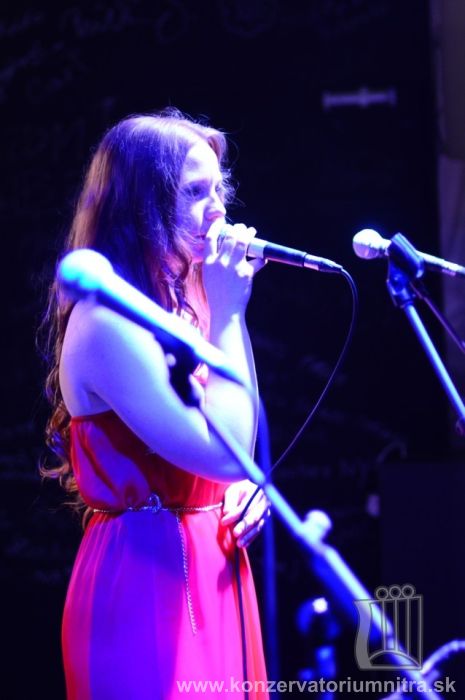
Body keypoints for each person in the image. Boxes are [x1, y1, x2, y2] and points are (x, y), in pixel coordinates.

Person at [42, 110, 270, 698]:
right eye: (195, 192)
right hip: (145, 585)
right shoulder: (106, 323)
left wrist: (234, 490)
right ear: (142, 206)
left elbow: (228, 450)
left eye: (219, 189)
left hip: (212, 567)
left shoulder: (182, 309)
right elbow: (225, 451)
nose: (218, 209)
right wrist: (231, 313)